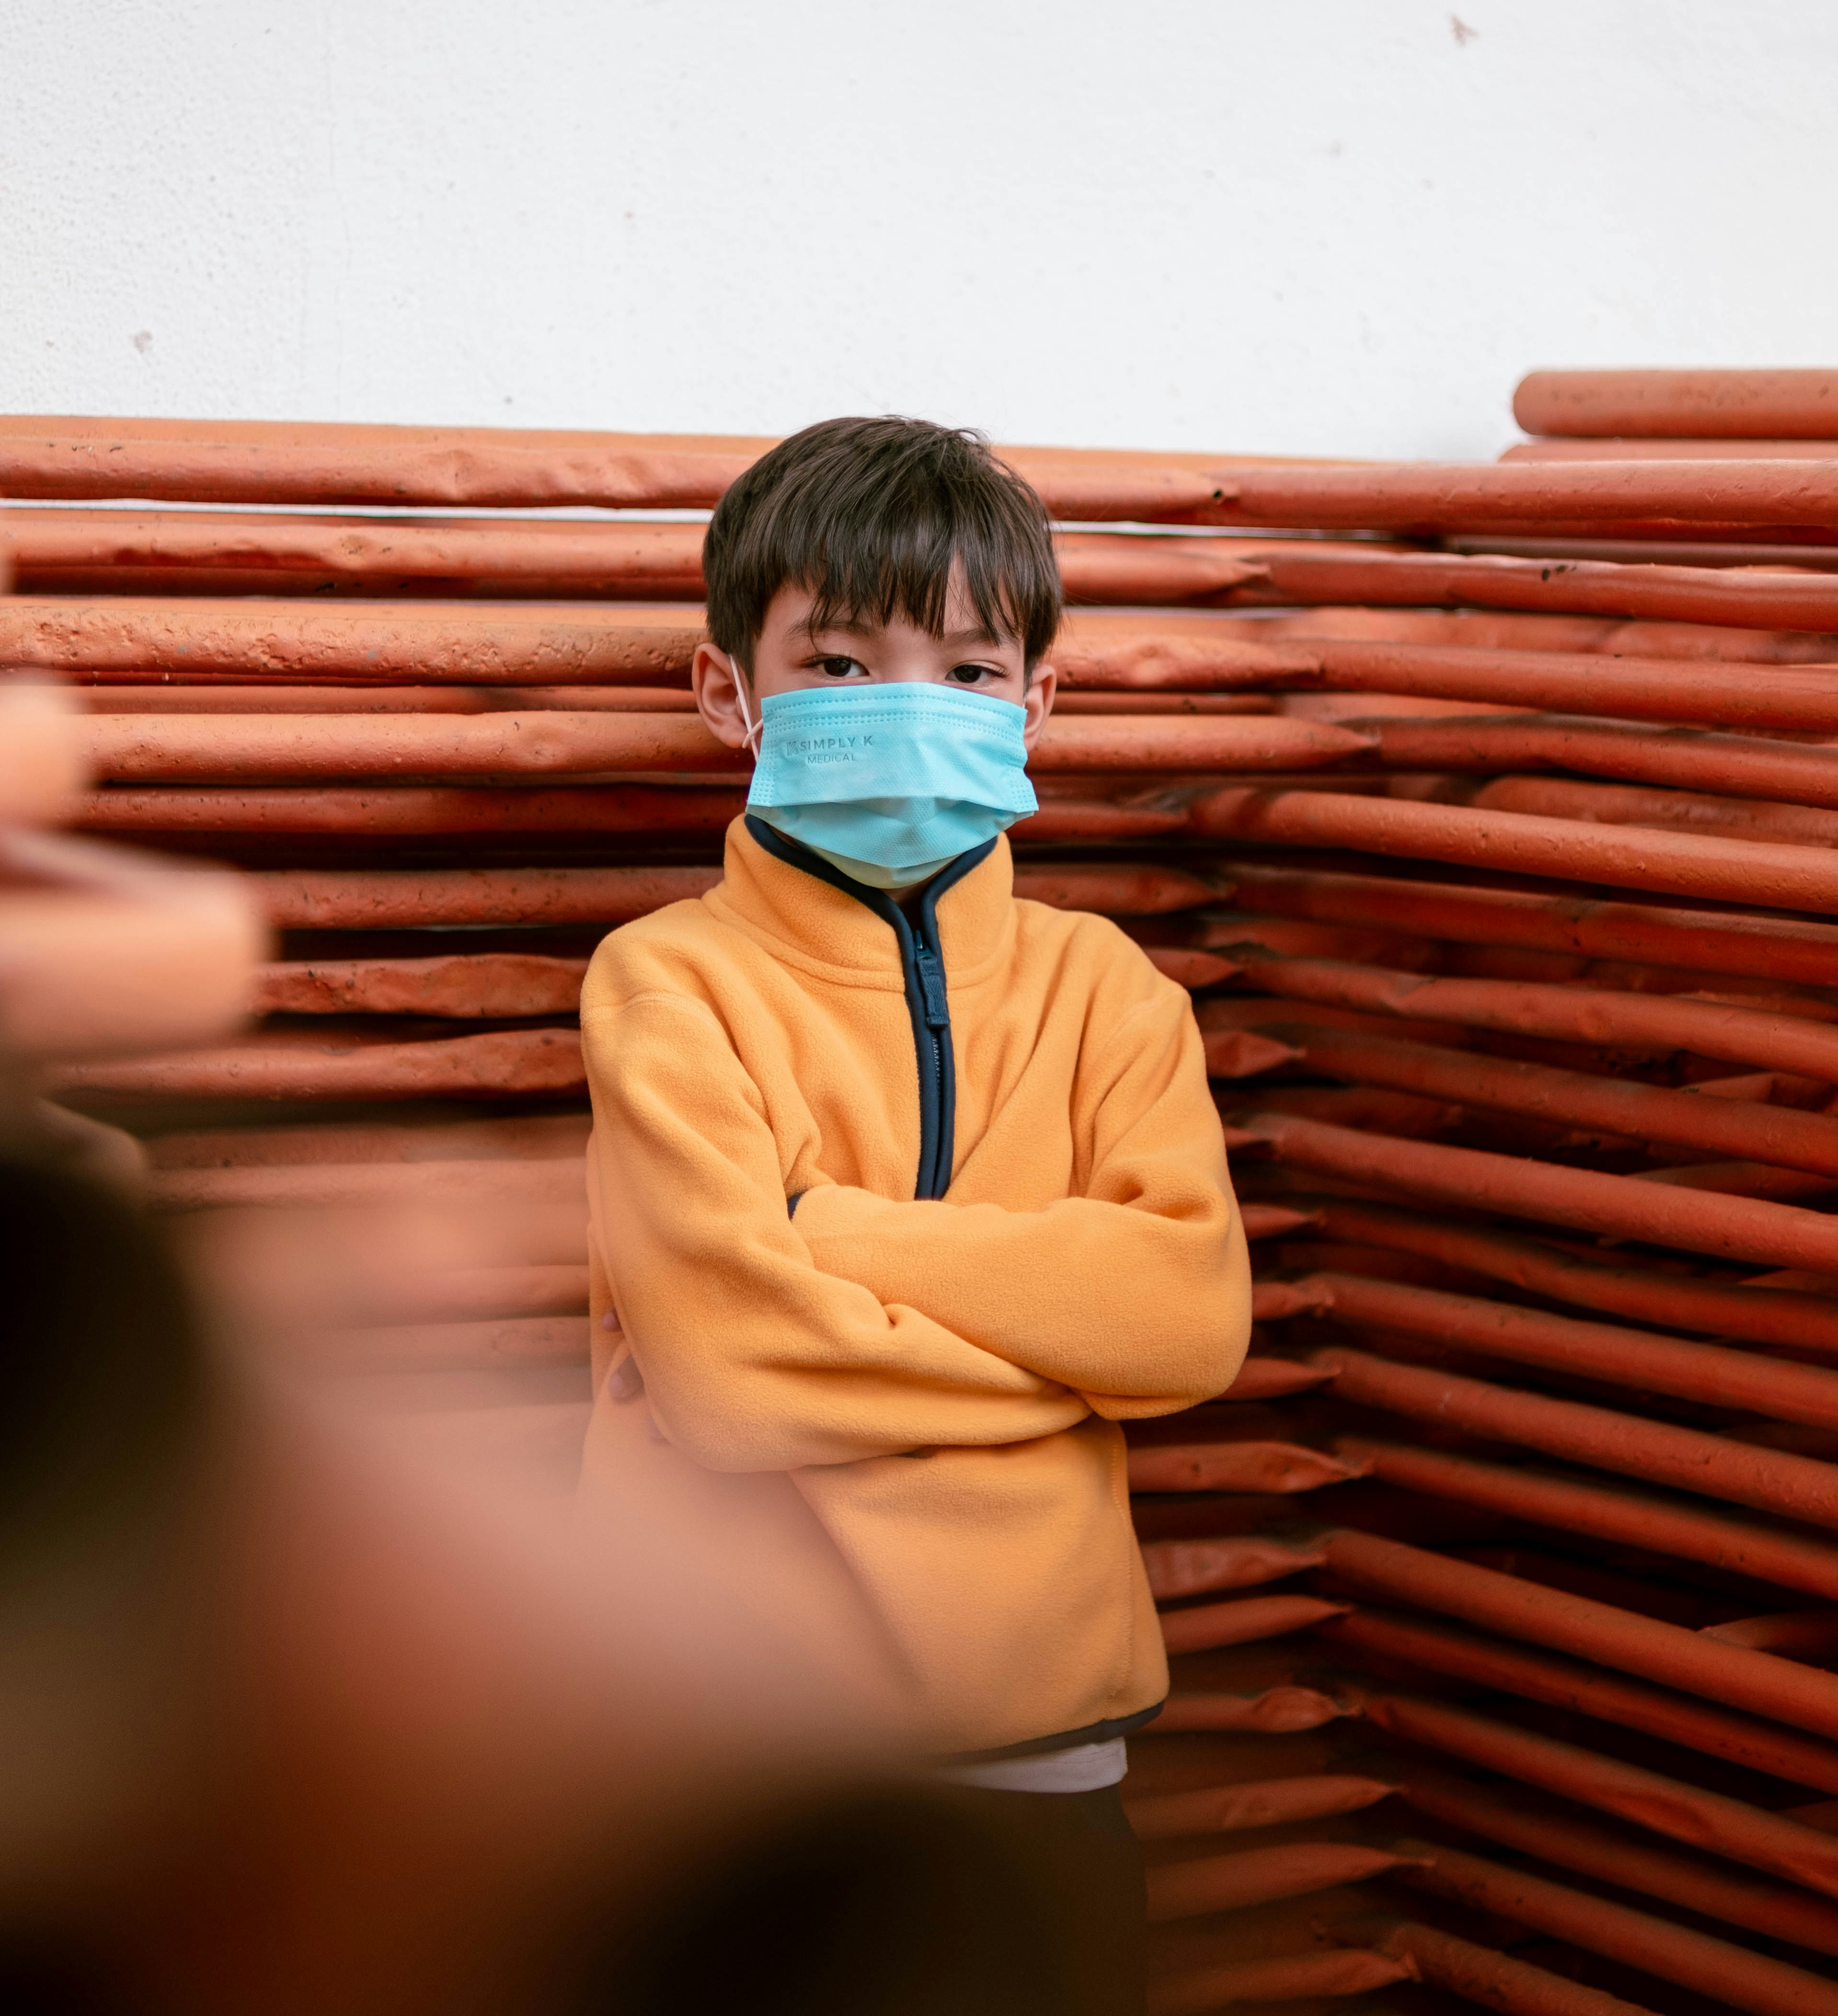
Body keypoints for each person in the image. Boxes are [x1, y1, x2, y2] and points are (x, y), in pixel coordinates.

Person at [578, 416, 1252, 2011]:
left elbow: (1186, 1323)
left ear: (1038, 702)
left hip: (1047, 1748)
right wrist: (1058, 1357)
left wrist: (841, 1240)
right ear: (726, 692)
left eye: (965, 672)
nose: (907, 707)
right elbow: (734, 1386)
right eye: (836, 662)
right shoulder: (667, 983)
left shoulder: (1114, 995)